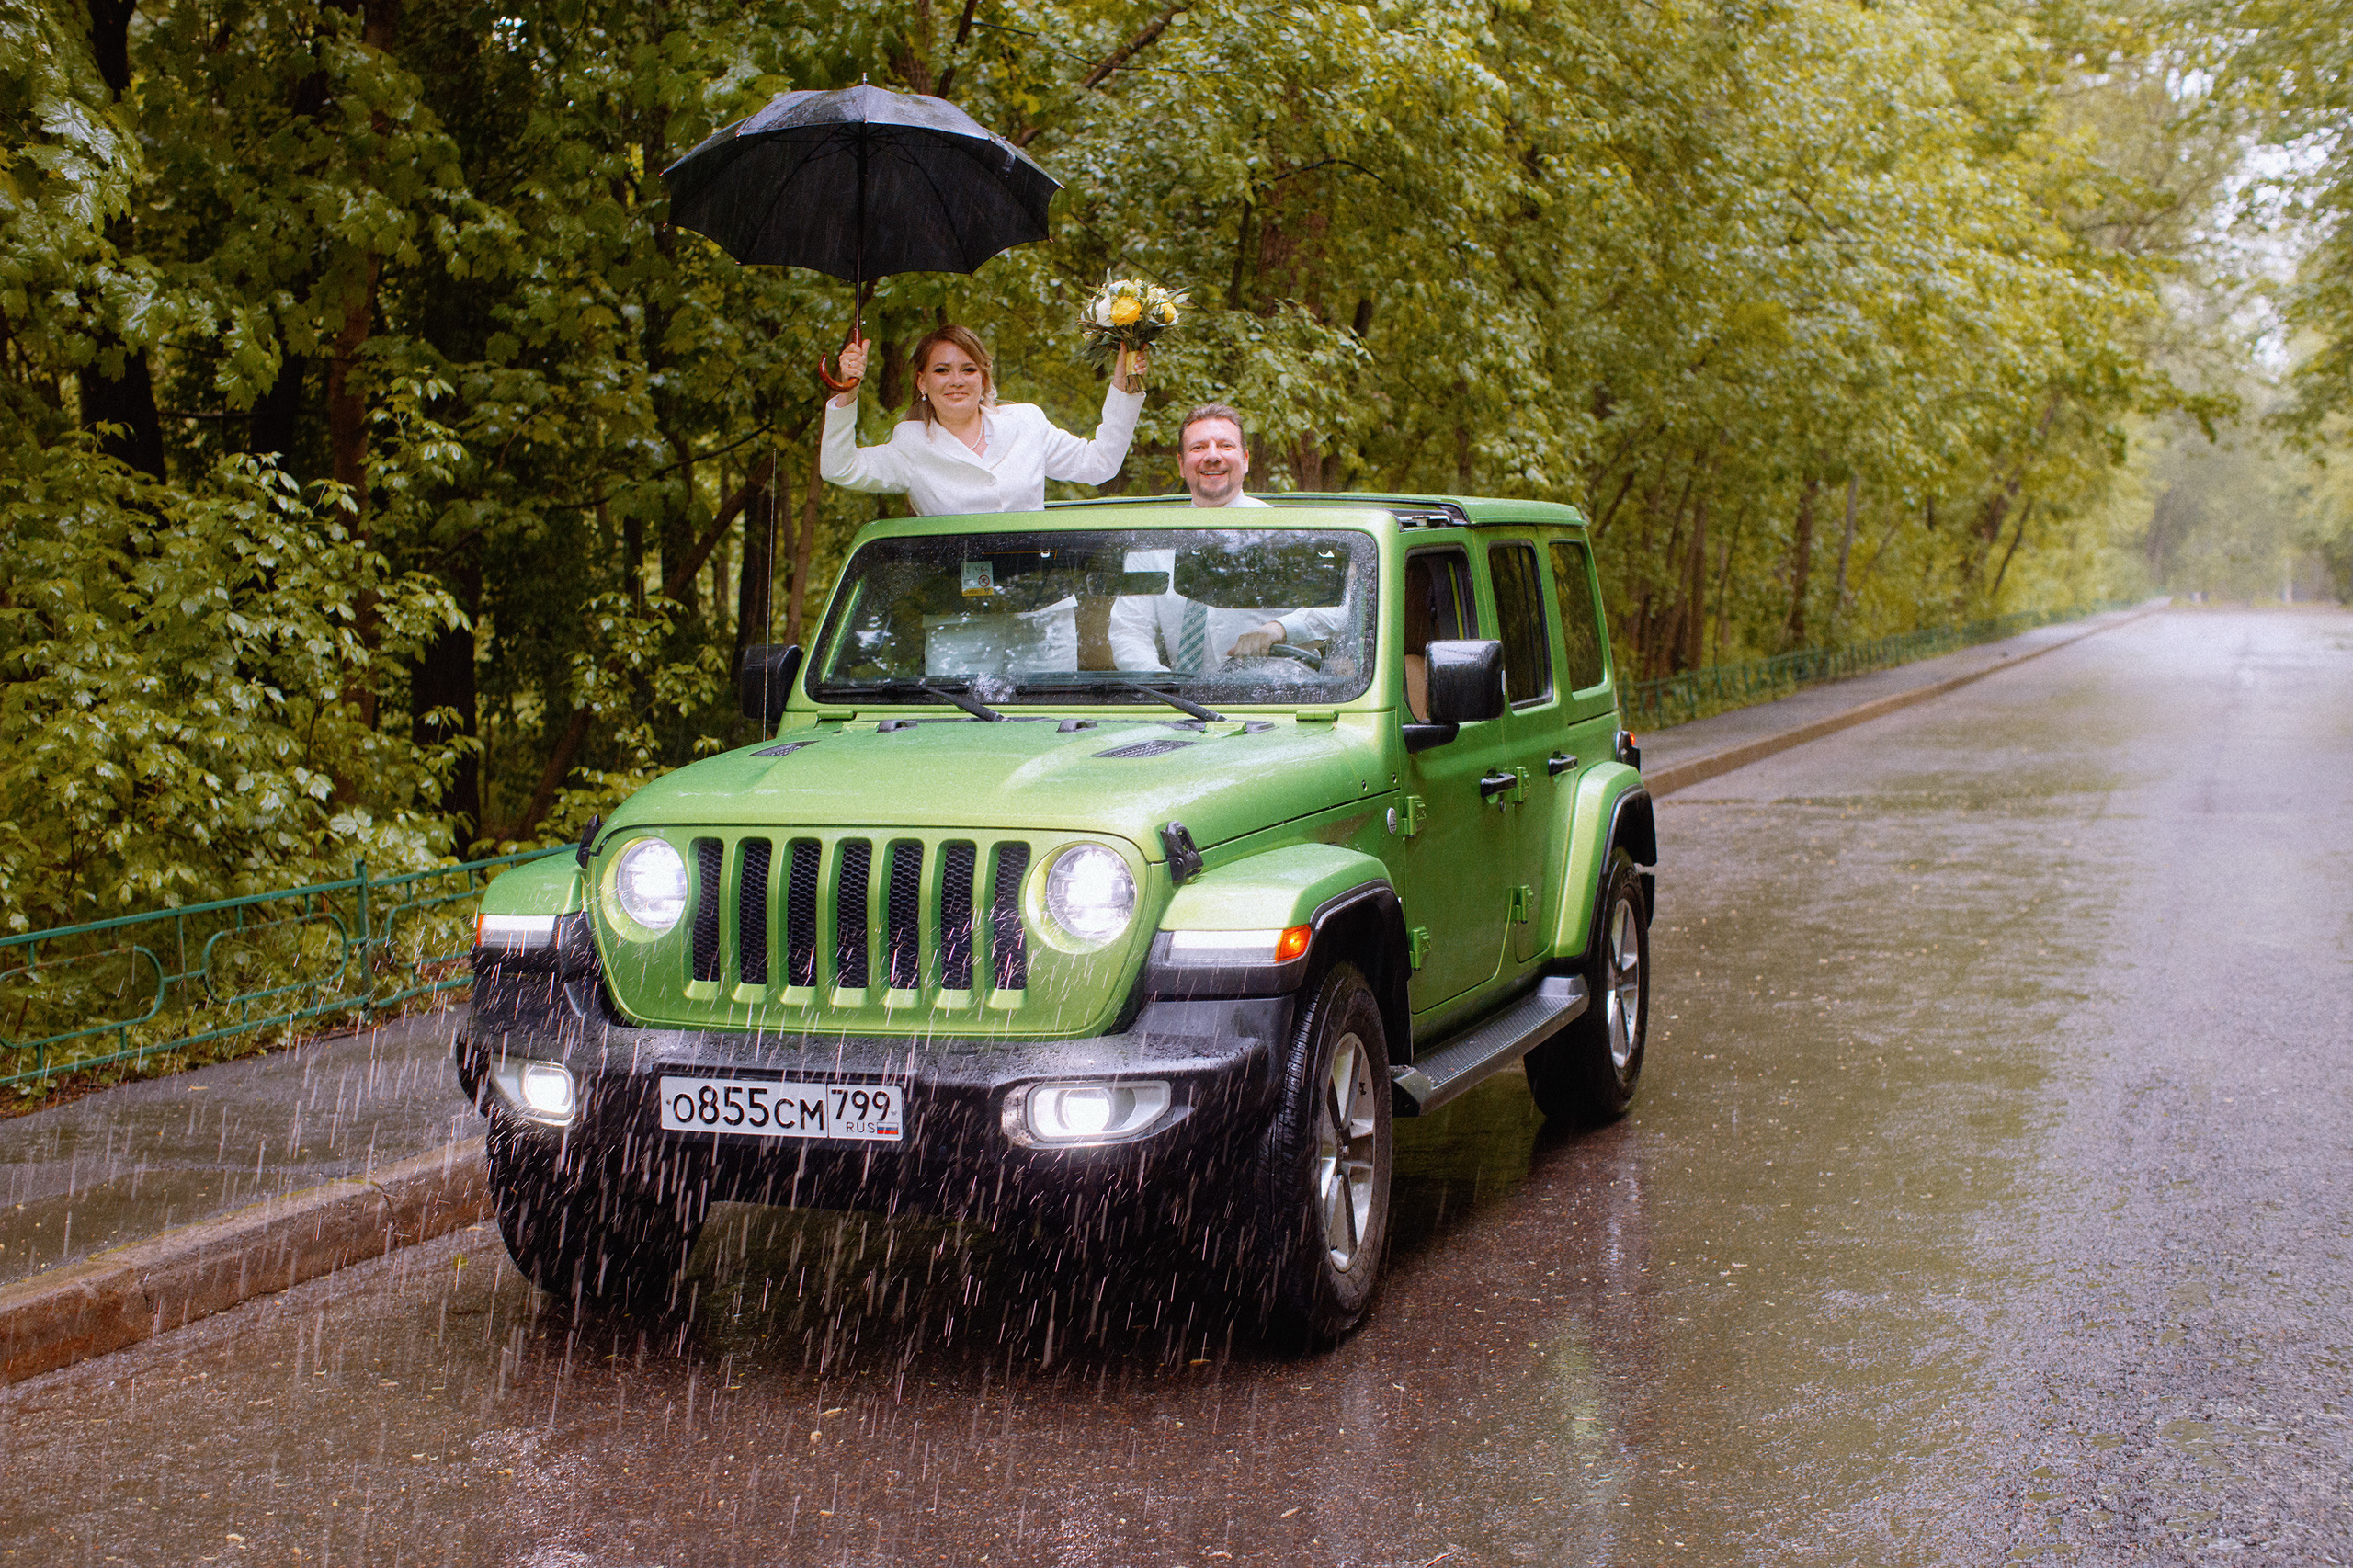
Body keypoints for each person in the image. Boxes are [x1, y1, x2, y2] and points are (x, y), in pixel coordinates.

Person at [1107, 403, 1345, 673]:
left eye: (1225, 446)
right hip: (1180, 708)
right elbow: (1129, 632)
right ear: (1181, 464)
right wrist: (1166, 688)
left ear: (1245, 460)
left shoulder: (1285, 532)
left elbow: (1339, 610)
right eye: (1198, 448)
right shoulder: (1153, 543)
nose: (1212, 456)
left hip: (1279, 701)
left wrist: (1278, 629)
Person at [819, 326, 1146, 516]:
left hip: (1043, 610)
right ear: (922, 382)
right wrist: (849, 389)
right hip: (957, 617)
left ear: (984, 378)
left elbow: (1100, 464)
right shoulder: (909, 444)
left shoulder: (1027, 422)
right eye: (942, 370)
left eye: (969, 369)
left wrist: (1124, 383)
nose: (956, 381)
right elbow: (839, 468)